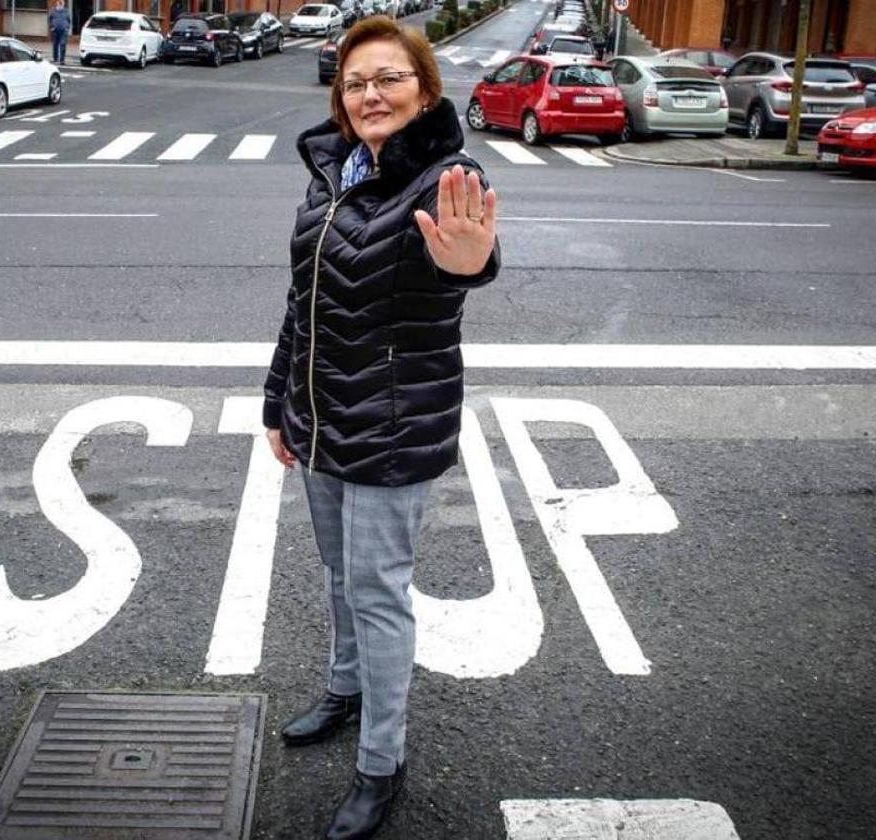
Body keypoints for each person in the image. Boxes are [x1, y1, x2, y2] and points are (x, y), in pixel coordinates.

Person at [262, 15, 500, 840]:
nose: (371, 93)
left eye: (390, 78)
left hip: (393, 431)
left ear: (424, 89)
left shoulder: (444, 176)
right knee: (339, 576)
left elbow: (463, 263)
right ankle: (345, 686)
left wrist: (467, 260)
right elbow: (304, 303)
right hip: (321, 420)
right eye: (356, 81)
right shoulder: (332, 171)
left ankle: (380, 763)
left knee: (378, 592)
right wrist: (276, 405)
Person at [47, 0, 71, 65]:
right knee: (55, 44)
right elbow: (49, 19)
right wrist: (51, 27)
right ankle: (55, 58)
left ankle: (62, 60)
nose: (60, 5)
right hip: (55, 30)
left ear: (63, 4)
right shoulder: (53, 11)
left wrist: (67, 28)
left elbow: (69, 20)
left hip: (63, 31)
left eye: (61, 4)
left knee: (63, 44)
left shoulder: (66, 11)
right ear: (57, 4)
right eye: (59, 4)